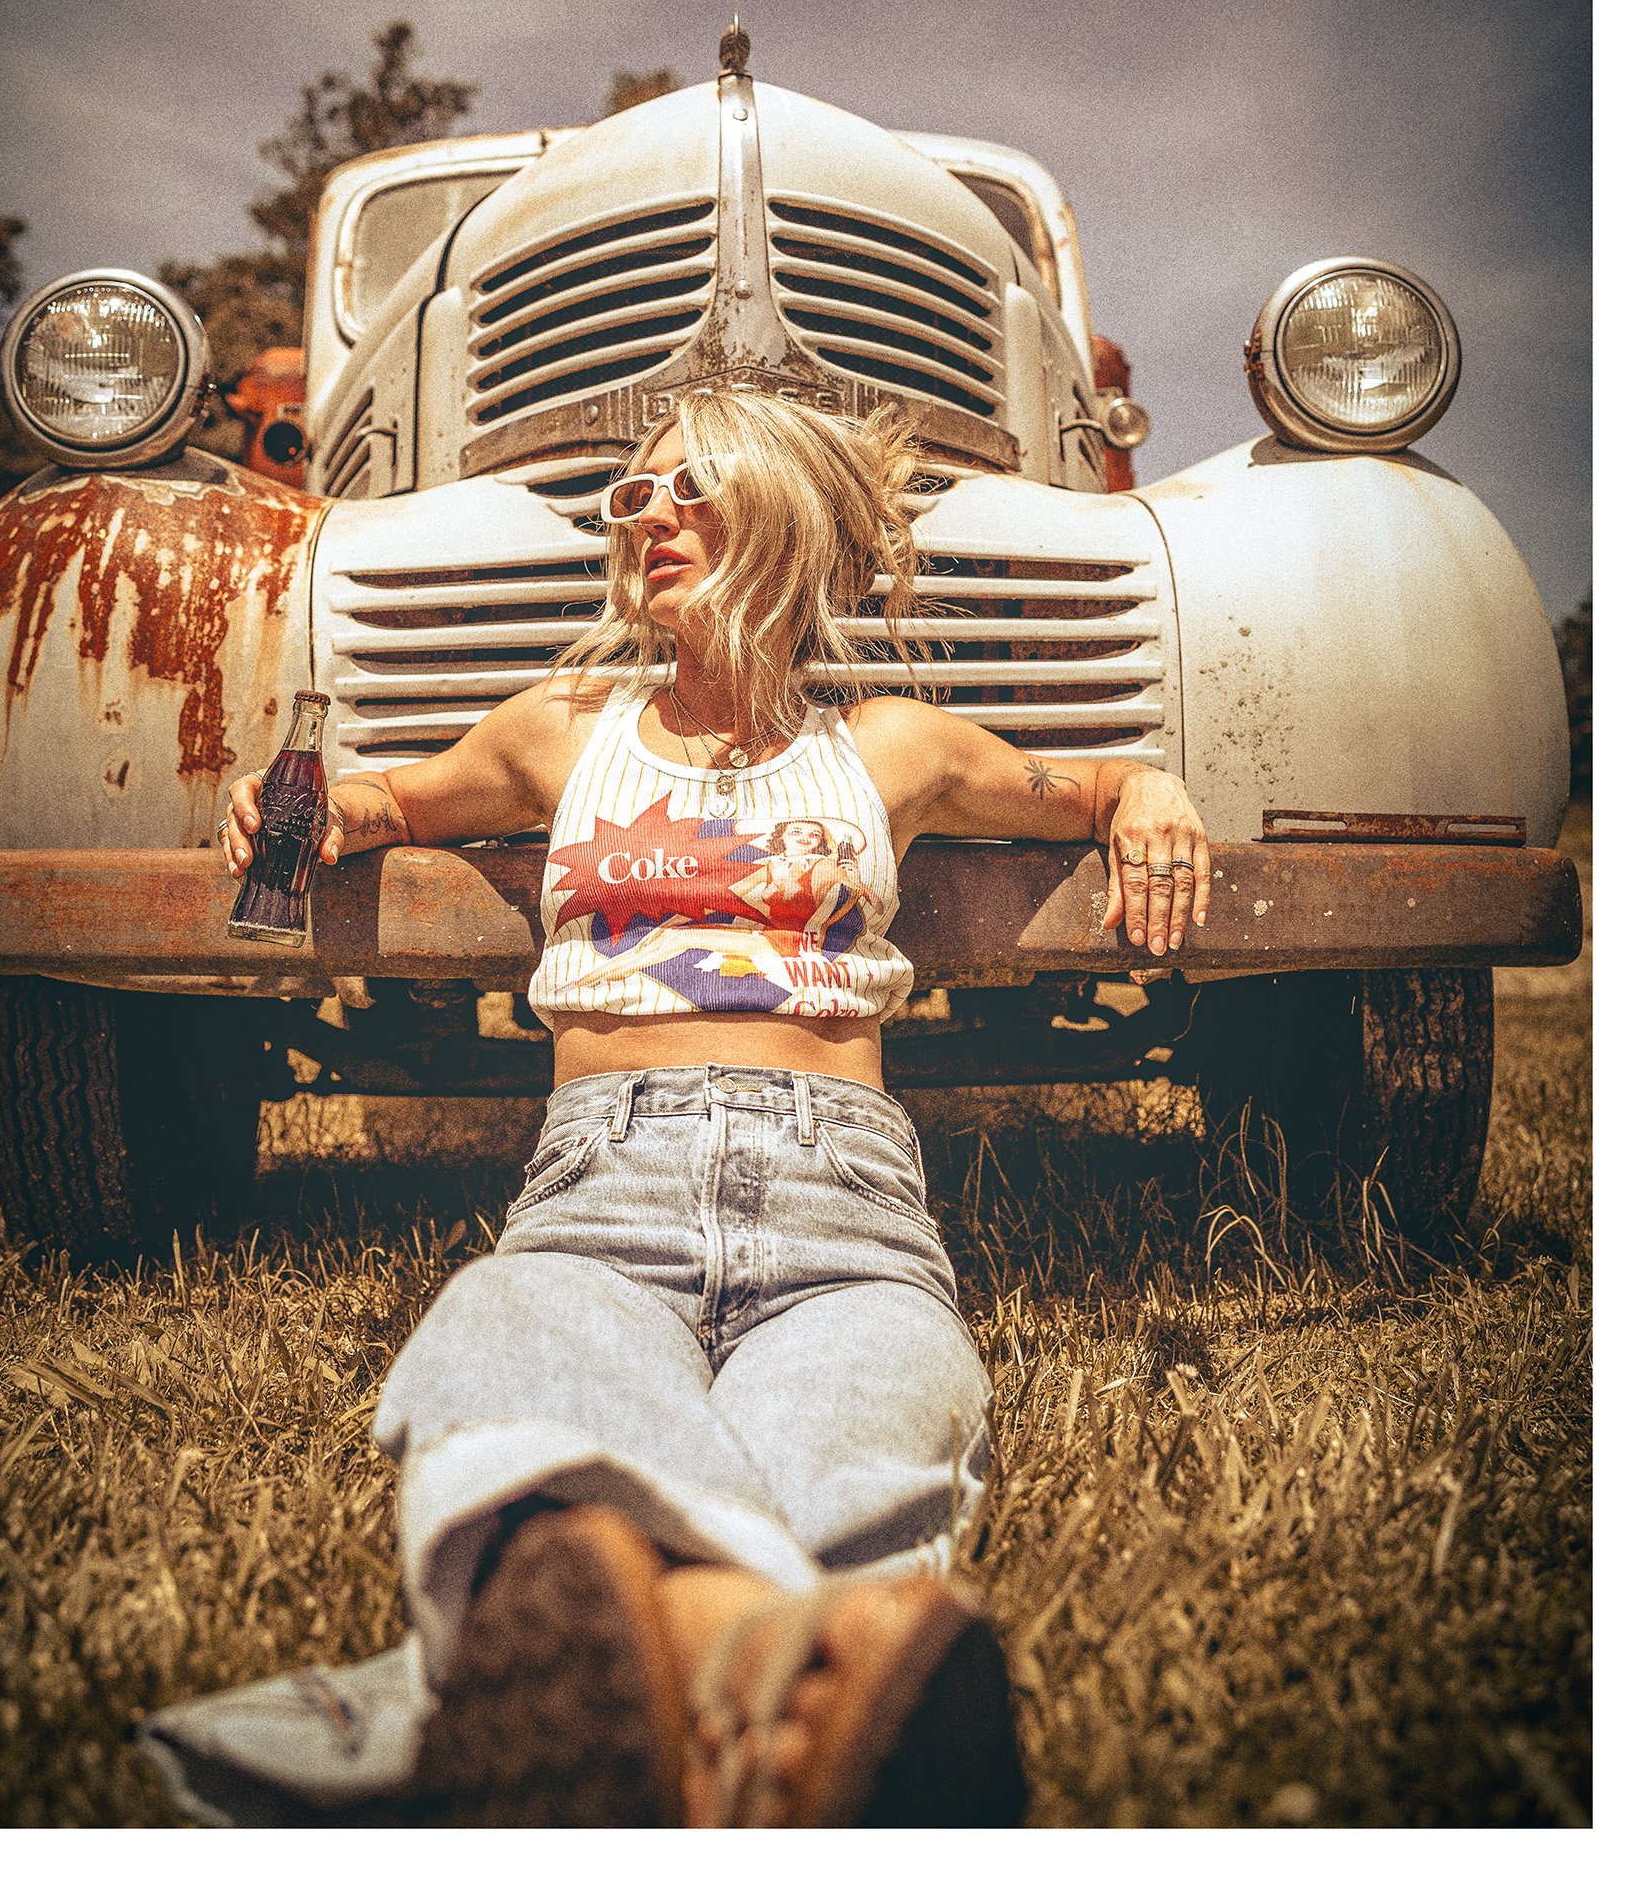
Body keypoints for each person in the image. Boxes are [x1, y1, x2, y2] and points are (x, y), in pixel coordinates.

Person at [208, 382, 1210, 1828]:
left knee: (860, 1426)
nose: (646, 514)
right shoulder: (563, 728)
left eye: (689, 487)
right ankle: (782, 1681)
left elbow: (1094, 784)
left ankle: (616, 1651)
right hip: (598, 1194)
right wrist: (309, 806)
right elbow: (397, 802)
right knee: (501, 1335)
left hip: (845, 1211)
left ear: (785, 515)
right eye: (632, 495)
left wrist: (1151, 793)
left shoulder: (893, 747)